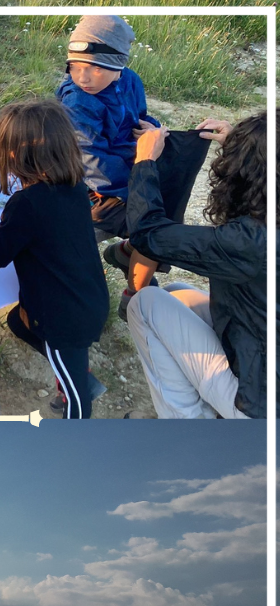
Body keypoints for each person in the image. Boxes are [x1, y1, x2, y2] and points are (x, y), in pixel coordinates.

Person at [125, 114, 266, 419]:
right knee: (176, 295)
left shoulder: (251, 243)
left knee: (145, 303)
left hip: (260, 406)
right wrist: (245, 150)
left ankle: (189, 431)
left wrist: (145, 162)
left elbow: (150, 235)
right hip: (261, 345)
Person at [0, 100, 109, 419]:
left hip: (63, 320)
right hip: (86, 300)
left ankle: (73, 447)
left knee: (77, 398)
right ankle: (74, 371)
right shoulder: (75, 189)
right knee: (16, 323)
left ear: (13, 156)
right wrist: (4, 237)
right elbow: (47, 234)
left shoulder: (26, 204)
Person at [56, 15, 164, 294]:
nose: (83, 78)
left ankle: (131, 260)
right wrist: (135, 189)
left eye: (95, 68)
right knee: (152, 222)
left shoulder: (130, 81)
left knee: (167, 196)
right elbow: (88, 158)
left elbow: (138, 118)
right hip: (89, 185)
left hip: (123, 169)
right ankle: (137, 290)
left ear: (119, 65)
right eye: (75, 67)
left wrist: (150, 127)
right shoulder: (77, 100)